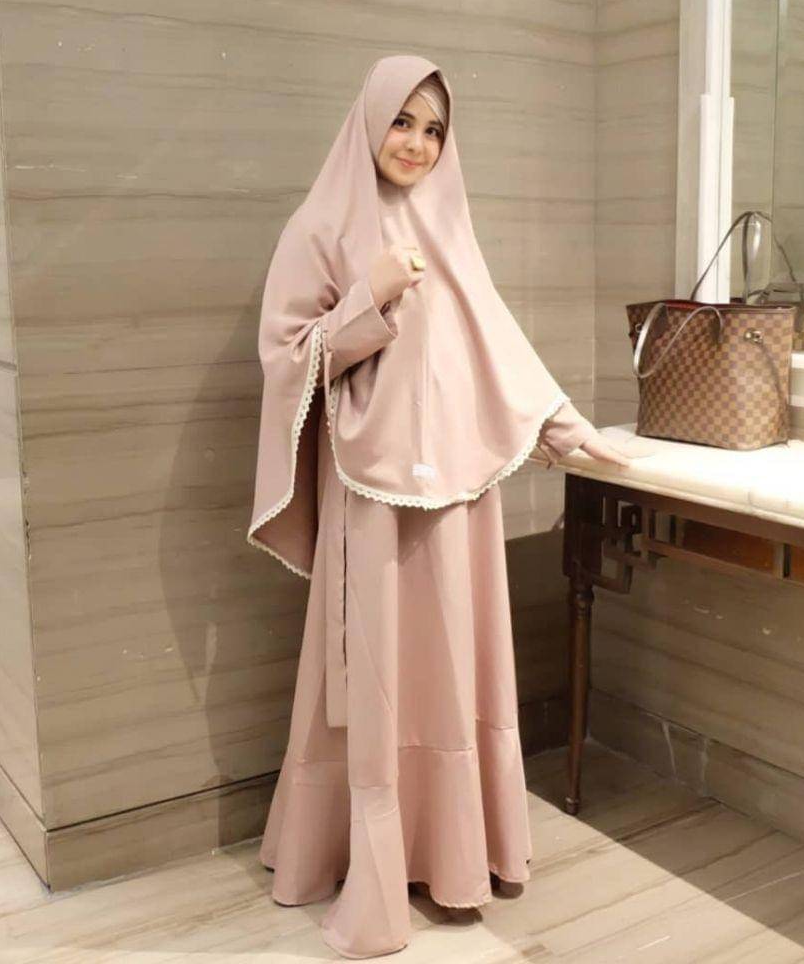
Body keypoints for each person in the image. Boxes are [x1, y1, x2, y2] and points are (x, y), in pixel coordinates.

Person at [246, 54, 630, 958]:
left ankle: (458, 857)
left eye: (434, 129)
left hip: (460, 491)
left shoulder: (451, 225)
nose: (417, 144)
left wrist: (565, 425)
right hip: (371, 488)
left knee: (453, 658)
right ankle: (369, 860)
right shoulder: (319, 226)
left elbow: (495, 339)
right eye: (402, 121)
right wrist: (370, 296)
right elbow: (287, 357)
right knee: (378, 669)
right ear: (369, 121)